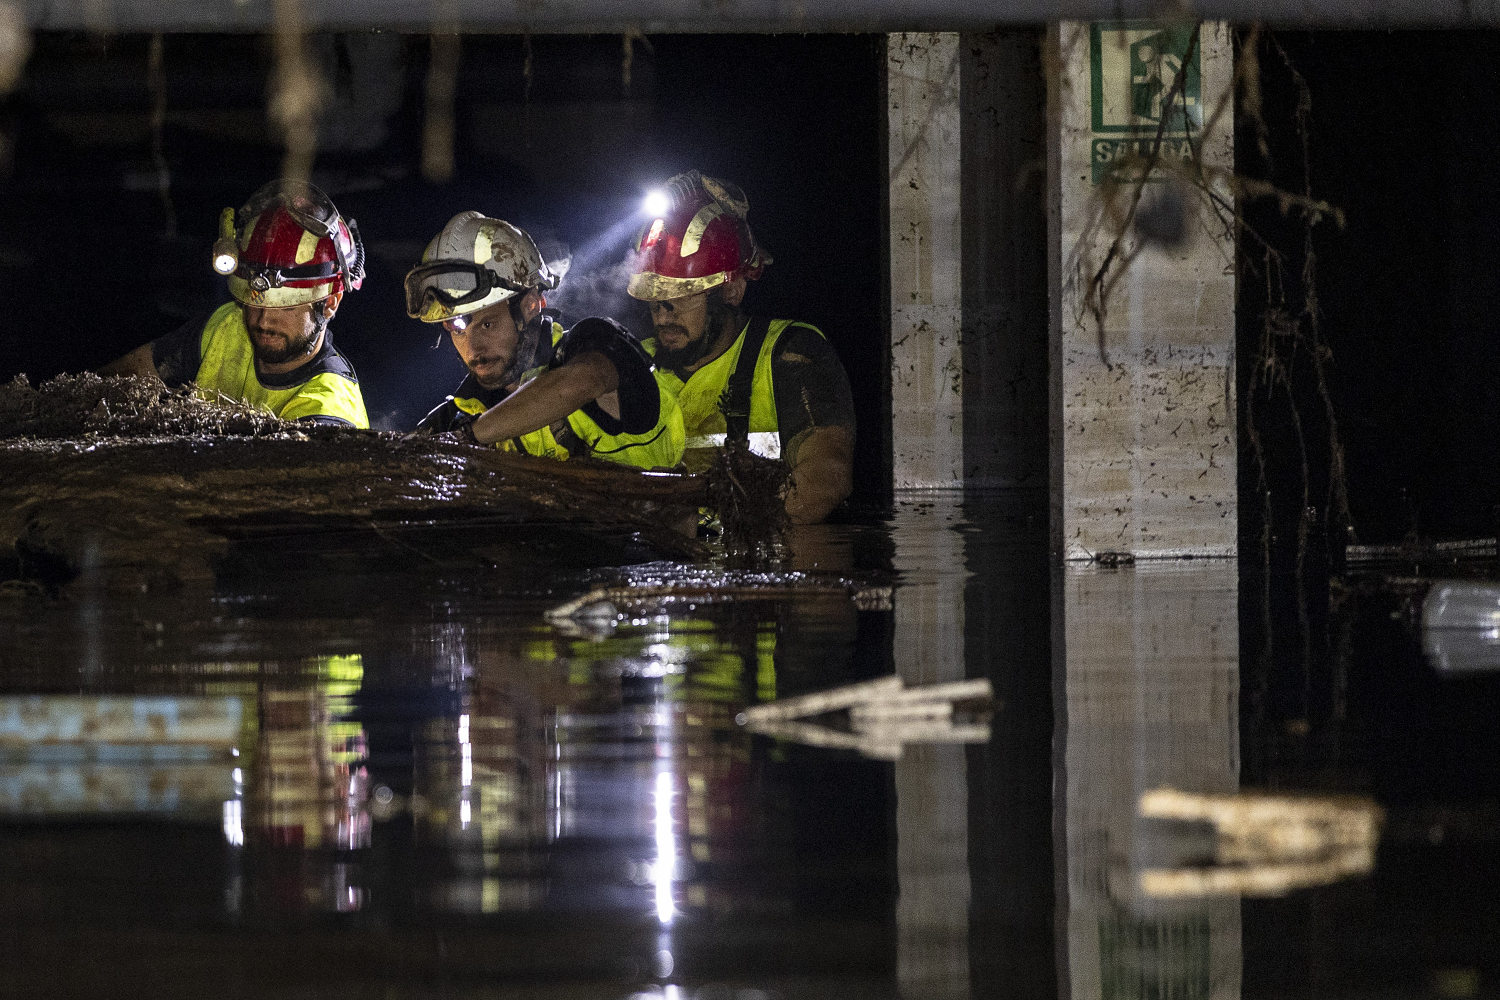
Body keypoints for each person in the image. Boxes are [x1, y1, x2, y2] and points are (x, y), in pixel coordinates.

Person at [626, 170, 856, 524]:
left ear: (731, 291)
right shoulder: (634, 364)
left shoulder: (789, 353)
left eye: (681, 299)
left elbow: (826, 481)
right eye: (655, 302)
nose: (662, 318)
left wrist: (706, 527)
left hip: (764, 570)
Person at [407, 211, 684, 470]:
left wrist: (468, 438)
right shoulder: (455, 417)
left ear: (529, 306)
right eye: (458, 330)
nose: (473, 347)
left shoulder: (597, 346)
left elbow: (581, 382)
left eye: (487, 324)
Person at [101, 179, 370, 428]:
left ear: (330, 303)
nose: (262, 321)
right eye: (253, 300)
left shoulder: (330, 411)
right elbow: (113, 382)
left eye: (286, 307)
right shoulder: (227, 326)